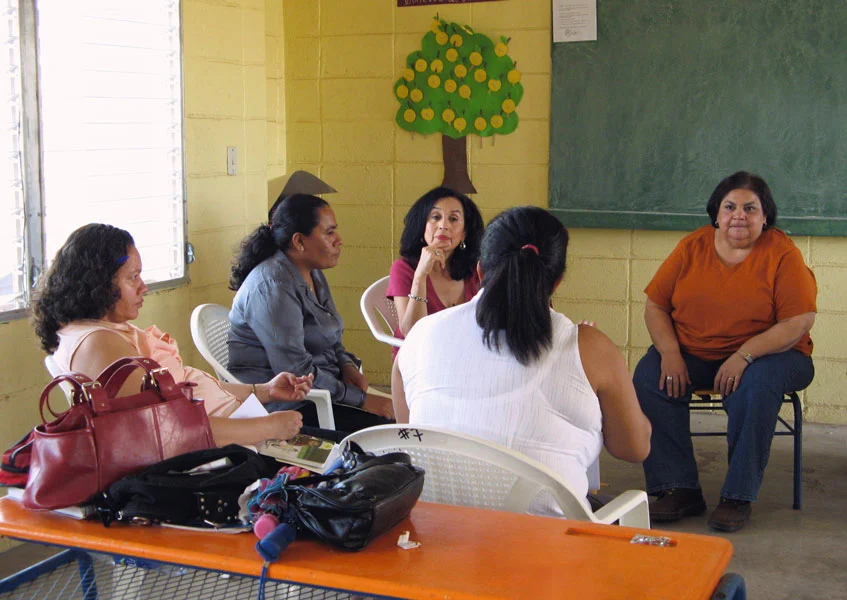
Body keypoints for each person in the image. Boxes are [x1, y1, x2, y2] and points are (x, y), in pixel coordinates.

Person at [393, 206, 651, 516]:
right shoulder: (591, 347)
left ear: (480, 273)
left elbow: (413, 434)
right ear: (556, 284)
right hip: (546, 552)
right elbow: (634, 448)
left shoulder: (421, 335)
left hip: (435, 540)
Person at [634, 171, 816, 532]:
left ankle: (738, 496)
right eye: (730, 207)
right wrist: (669, 352)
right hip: (695, 352)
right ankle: (678, 488)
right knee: (648, 376)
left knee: (757, 385)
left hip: (773, 356)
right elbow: (656, 306)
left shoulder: (783, 254)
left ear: (765, 217)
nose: (739, 215)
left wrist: (744, 355)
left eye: (750, 208)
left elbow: (798, 322)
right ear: (716, 213)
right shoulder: (692, 247)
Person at [32, 223, 319, 448]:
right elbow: (164, 430)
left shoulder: (108, 331)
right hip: (218, 454)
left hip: (237, 431)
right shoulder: (98, 344)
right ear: (98, 282)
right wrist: (268, 427)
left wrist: (265, 391)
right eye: (132, 277)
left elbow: (186, 387)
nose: (143, 287)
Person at [228, 193, 393, 431]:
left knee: (399, 420)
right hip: (288, 404)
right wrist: (363, 400)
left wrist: (346, 366)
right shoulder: (273, 287)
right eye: (329, 233)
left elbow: (332, 337)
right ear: (299, 241)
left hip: (321, 388)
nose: (339, 240)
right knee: (386, 431)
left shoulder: (311, 272)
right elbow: (295, 372)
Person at [386, 187, 484, 349]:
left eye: (453, 219)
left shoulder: (475, 269)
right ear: (422, 225)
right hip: (419, 357)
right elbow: (411, 333)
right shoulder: (403, 268)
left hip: (464, 355)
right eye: (435, 217)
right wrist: (420, 276)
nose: (443, 225)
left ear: (464, 233)